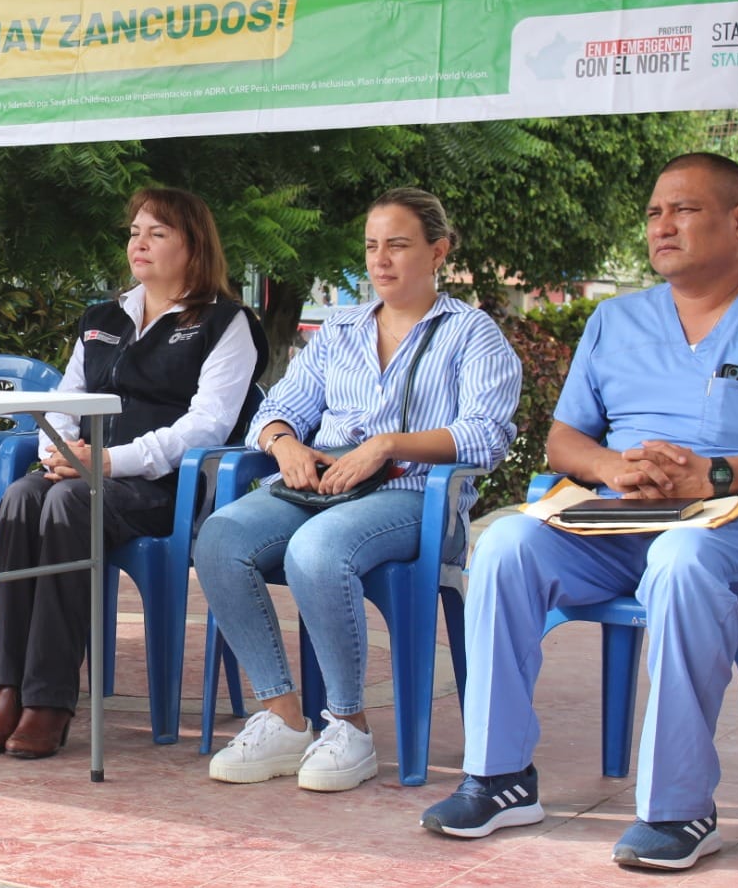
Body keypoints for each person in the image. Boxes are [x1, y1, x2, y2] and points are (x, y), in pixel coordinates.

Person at [421, 153, 738, 871]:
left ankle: (678, 811)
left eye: (683, 209)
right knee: (503, 547)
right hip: (616, 517)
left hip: (733, 523)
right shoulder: (617, 321)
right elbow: (565, 439)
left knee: (681, 565)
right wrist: (614, 468)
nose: (663, 224)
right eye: (654, 212)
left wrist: (715, 474)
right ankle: (499, 779)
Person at [194, 188, 520, 791]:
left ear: (437, 251)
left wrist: (389, 444)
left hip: (415, 497)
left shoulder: (472, 334)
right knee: (218, 538)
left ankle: (349, 726)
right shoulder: (339, 329)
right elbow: (278, 408)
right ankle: (284, 718)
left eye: (398, 245)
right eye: (372, 247)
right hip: (322, 484)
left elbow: (486, 436)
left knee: (316, 549)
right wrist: (284, 442)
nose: (381, 260)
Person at [0, 188, 264, 758]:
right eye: (134, 232)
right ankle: (7, 691)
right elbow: (65, 399)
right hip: (85, 473)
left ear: (193, 245)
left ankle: (49, 702)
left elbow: (206, 427)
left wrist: (109, 462)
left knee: (66, 504)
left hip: (163, 490)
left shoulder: (227, 323)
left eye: (157, 233)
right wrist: (56, 447)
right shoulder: (102, 319)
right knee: (20, 499)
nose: (140, 243)